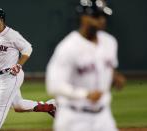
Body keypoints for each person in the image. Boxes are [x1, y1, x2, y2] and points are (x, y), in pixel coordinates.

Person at [46, 0, 126, 131]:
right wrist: (85, 94)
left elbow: (107, 68)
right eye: (96, 16)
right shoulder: (68, 47)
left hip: (104, 117)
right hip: (74, 118)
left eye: (103, 16)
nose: (101, 20)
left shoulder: (110, 42)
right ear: (83, 18)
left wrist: (114, 77)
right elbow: (53, 86)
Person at [0, 8, 56, 131]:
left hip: (12, 76)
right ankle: (50, 106)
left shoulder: (12, 35)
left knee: (0, 107)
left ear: (0, 19)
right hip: (0, 77)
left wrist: (19, 64)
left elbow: (28, 49)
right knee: (18, 106)